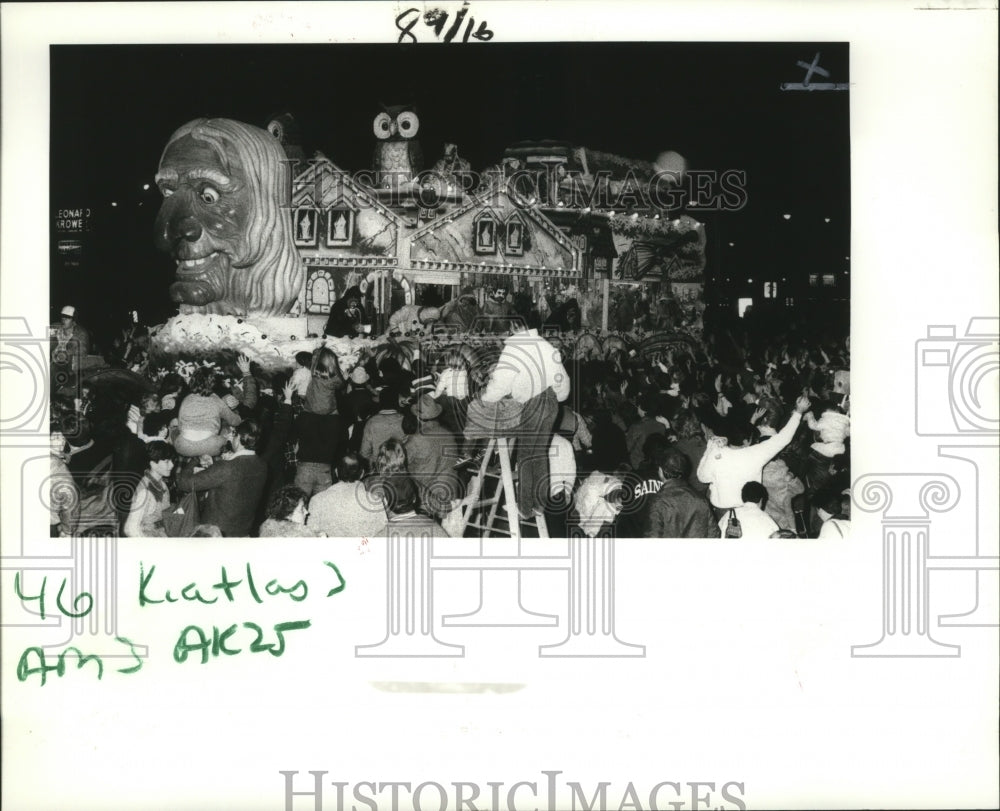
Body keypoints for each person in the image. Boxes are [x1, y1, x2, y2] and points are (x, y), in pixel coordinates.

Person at [476, 321, 570, 520]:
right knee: (540, 453)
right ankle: (539, 504)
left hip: (532, 404)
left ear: (511, 330)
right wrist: (558, 397)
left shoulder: (514, 349)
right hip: (551, 402)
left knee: (526, 455)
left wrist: (485, 399)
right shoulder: (544, 344)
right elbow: (563, 378)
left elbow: (501, 383)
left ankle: (524, 507)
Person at [697, 393, 811, 513]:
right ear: (747, 440)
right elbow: (784, 438)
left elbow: (703, 478)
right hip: (750, 510)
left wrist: (711, 447)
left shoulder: (716, 453)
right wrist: (799, 411)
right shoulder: (755, 454)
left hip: (721, 510)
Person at [176, 420, 268, 537]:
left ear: (239, 437)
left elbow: (184, 483)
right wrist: (213, 466)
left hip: (216, 534)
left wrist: (195, 460)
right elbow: (234, 487)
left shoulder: (226, 467)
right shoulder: (262, 466)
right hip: (243, 532)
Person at [401, 394, 463, 517]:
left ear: (418, 417)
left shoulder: (416, 439)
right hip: (450, 493)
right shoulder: (449, 435)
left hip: (427, 500)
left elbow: (401, 465)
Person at [645, 446, 718, 538]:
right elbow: (714, 534)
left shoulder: (658, 502)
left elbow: (652, 537)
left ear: (660, 471)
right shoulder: (701, 500)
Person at [307, 453, 387, 537]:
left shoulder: (317, 500)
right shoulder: (376, 502)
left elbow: (311, 536)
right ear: (362, 474)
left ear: (336, 472)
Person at [174, 367, 242, 458]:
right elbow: (235, 421)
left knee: (173, 430)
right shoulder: (216, 400)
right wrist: (239, 414)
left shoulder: (186, 399)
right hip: (212, 446)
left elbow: (180, 426)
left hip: (183, 447)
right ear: (213, 383)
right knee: (228, 431)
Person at [123, 441, 177, 537]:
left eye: (172, 461)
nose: (172, 465)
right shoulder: (145, 492)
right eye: (167, 461)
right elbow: (130, 528)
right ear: (153, 464)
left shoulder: (162, 484)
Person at [360, 387, 405, 468]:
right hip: (400, 466)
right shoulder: (404, 420)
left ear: (381, 401)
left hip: (378, 468)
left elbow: (364, 452)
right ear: (396, 401)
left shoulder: (372, 422)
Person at [51, 305, 91, 388]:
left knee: (53, 369)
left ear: (73, 321)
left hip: (68, 367)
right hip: (51, 360)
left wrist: (67, 353)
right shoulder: (55, 327)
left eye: (67, 318)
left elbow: (83, 351)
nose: (63, 320)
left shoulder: (81, 333)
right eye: (62, 317)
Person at [259, 485, 323, 537]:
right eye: (301, 509)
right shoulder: (303, 535)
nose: (307, 512)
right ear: (288, 515)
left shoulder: (266, 527)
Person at [625, 391, 667, 471]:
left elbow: (627, 448)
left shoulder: (637, 427)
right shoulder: (662, 424)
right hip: (656, 464)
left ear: (642, 410)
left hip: (638, 463)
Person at [49, 431, 80, 537]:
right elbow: (70, 497)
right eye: (57, 437)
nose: (62, 441)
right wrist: (67, 531)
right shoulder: (57, 466)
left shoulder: (61, 456)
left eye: (63, 437)